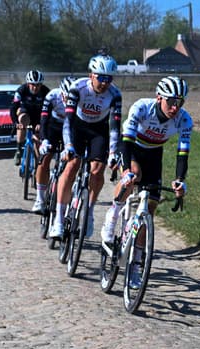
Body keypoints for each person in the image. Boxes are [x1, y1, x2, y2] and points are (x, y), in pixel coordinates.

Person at [100, 76, 192, 288]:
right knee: (134, 175)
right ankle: (113, 215)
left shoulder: (184, 120)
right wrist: (125, 172)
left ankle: (135, 265)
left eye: (180, 102)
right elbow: (126, 142)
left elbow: (183, 153)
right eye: (171, 101)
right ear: (159, 98)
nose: (175, 107)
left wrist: (180, 181)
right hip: (132, 149)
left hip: (154, 155)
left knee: (150, 208)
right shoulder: (142, 108)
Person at [49, 54, 122, 239]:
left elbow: (114, 127)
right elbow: (68, 121)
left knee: (97, 171)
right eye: (101, 77)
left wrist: (113, 152)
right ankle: (58, 219)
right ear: (91, 75)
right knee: (72, 165)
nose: (105, 83)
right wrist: (68, 146)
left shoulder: (115, 95)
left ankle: (88, 213)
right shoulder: (78, 88)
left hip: (99, 130)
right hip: (77, 127)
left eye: (109, 78)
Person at [31, 75, 75, 213]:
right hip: (53, 126)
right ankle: (39, 199)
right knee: (44, 159)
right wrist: (44, 140)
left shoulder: (79, 99)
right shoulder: (52, 96)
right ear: (61, 92)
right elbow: (43, 120)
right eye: (65, 96)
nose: (67, 100)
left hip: (71, 126)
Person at [10, 69, 50, 165]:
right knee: (22, 119)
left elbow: (50, 111)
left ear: (41, 84)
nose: (35, 87)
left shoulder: (46, 91)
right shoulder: (21, 90)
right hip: (26, 113)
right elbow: (13, 108)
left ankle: (37, 166)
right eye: (33, 84)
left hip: (40, 116)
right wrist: (15, 123)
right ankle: (19, 149)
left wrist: (42, 124)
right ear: (28, 83)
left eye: (38, 85)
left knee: (37, 143)